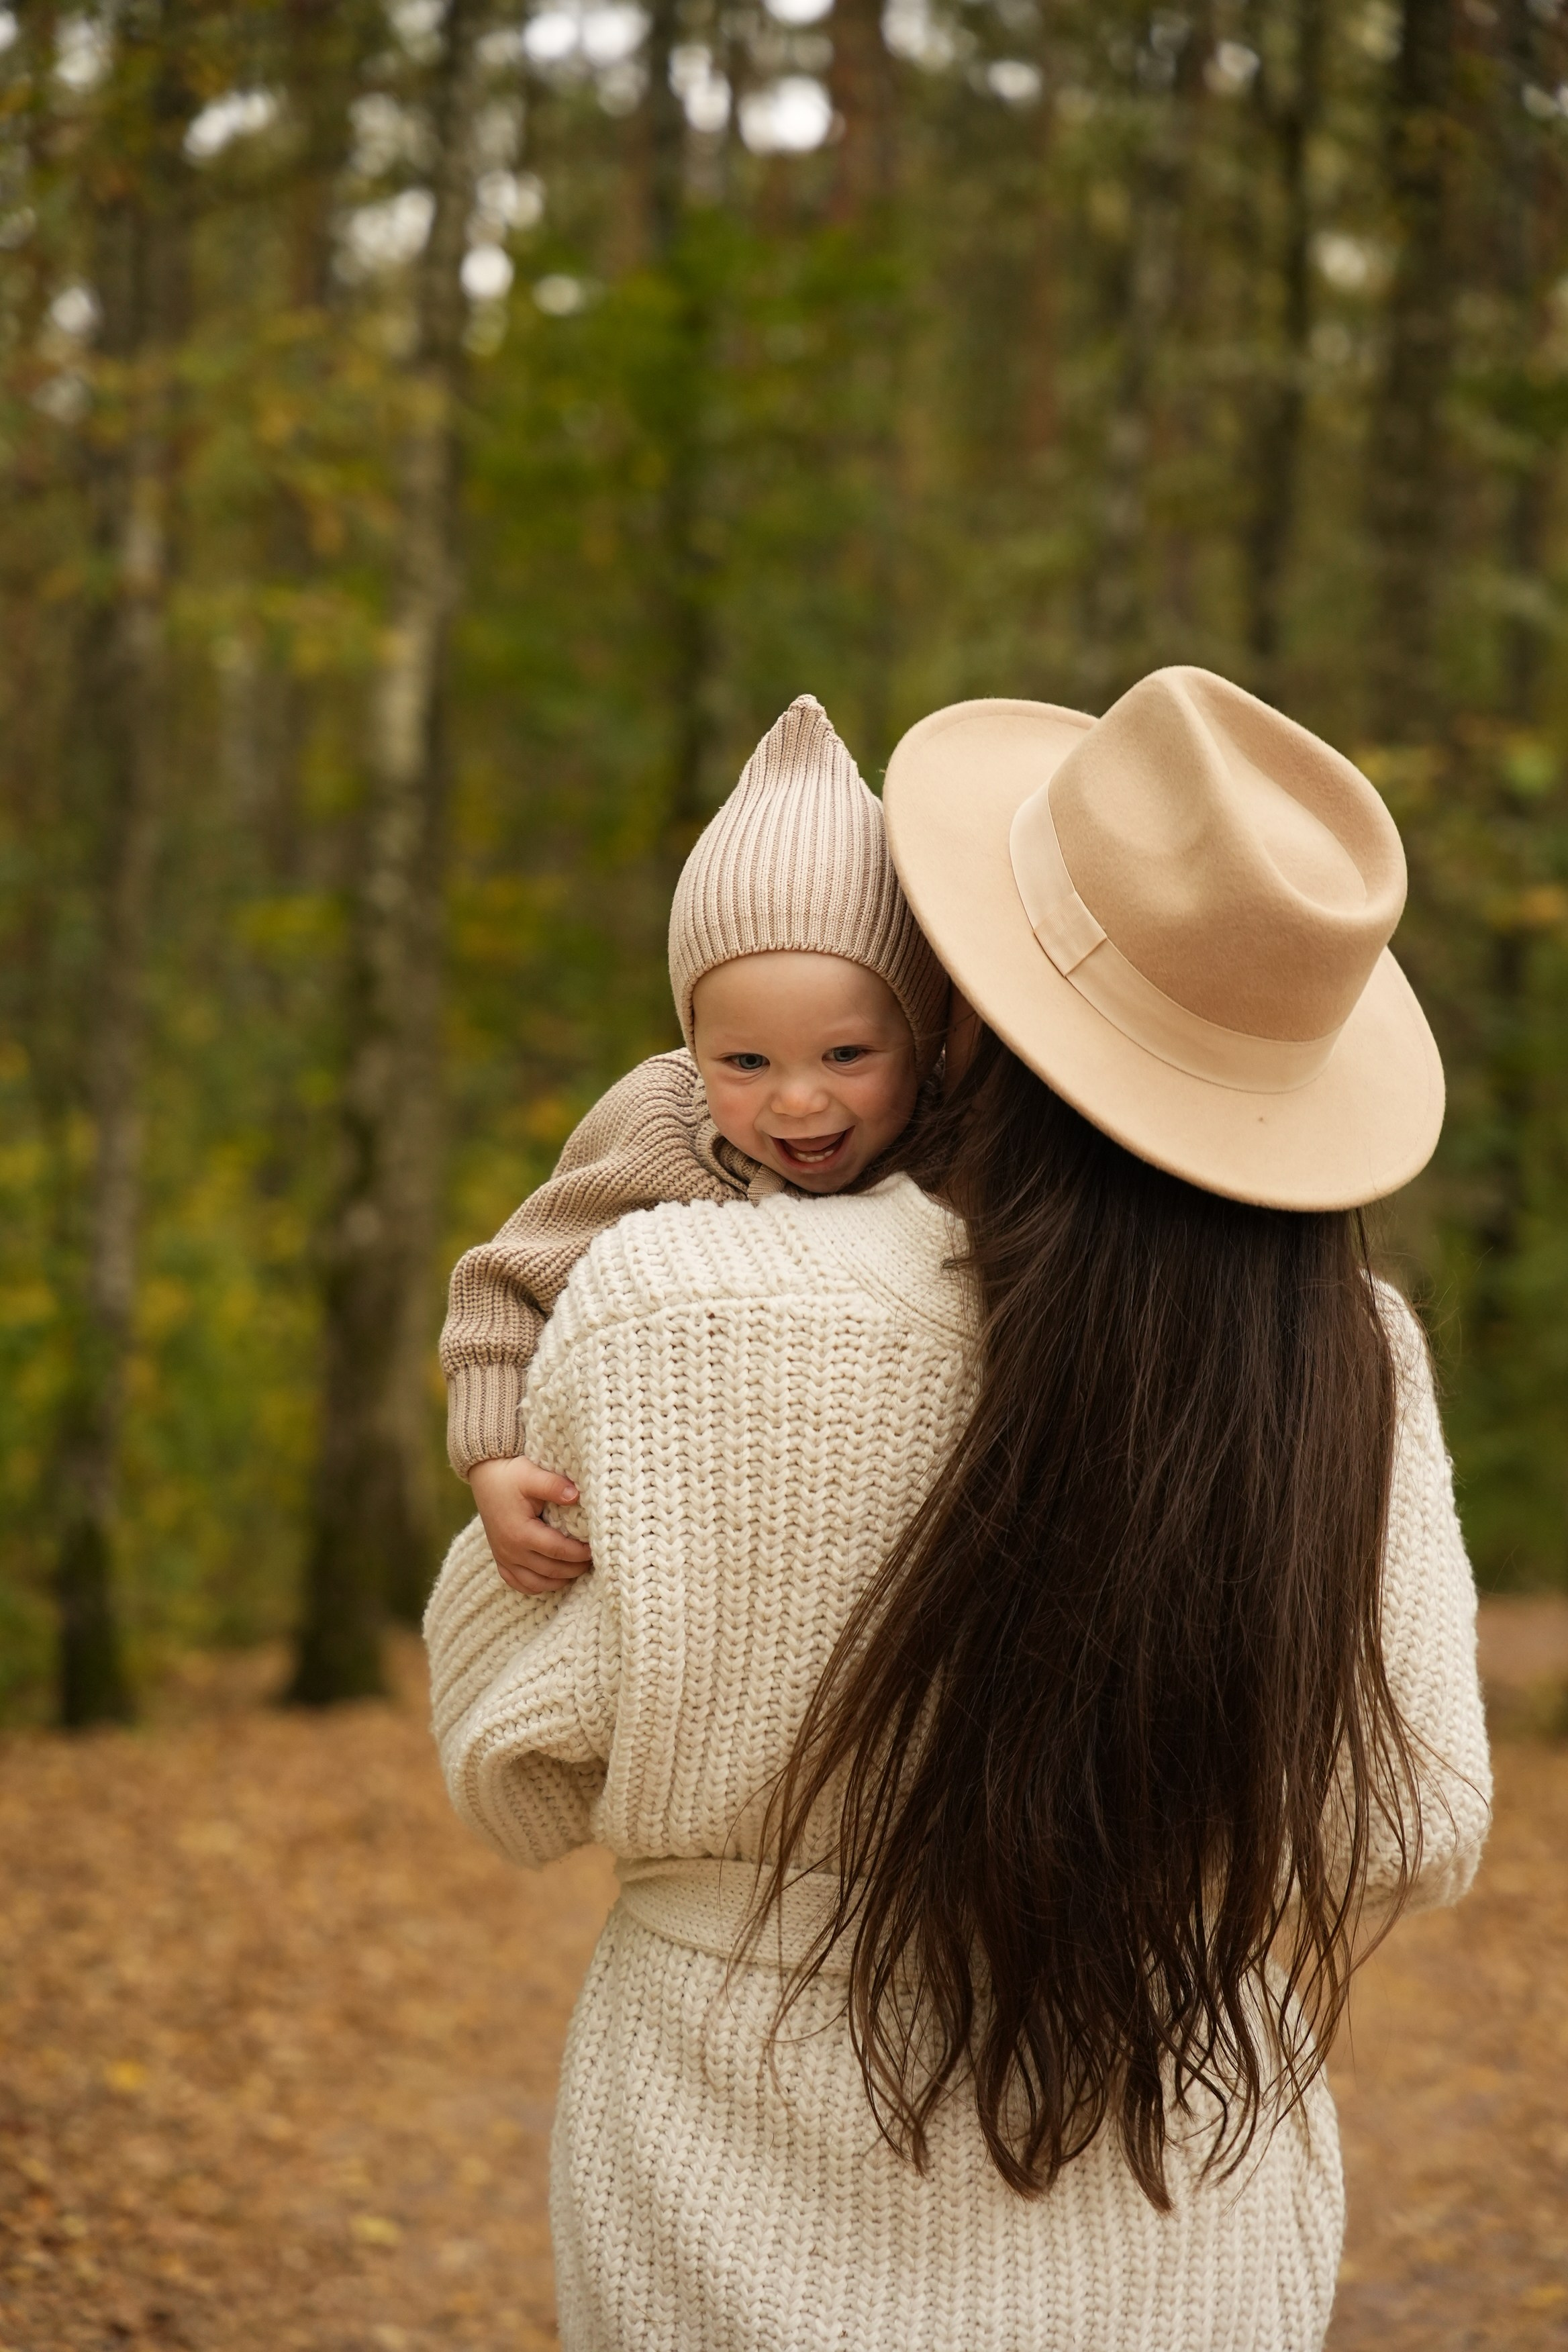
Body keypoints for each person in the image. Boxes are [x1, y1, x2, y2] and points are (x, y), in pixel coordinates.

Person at [425, 667, 1490, 2352]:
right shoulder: (1348, 1360)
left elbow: (512, 1751)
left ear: (959, 1005)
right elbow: (1406, 1827)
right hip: (1173, 2163)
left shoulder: (664, 1305)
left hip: (729, 2156)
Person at [439, 691, 947, 1595]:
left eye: (847, 1054)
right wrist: (491, 1461)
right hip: (688, 1560)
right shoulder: (664, 1121)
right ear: (692, 1038)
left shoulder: (955, 1137)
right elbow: (506, 1279)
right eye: (745, 1060)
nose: (797, 1101)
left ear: (922, 1033)